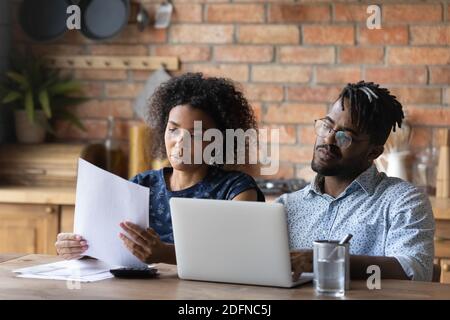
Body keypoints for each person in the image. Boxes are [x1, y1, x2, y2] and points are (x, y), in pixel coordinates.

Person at [55, 73, 265, 264]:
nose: (180, 142)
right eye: (173, 130)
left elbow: (241, 256)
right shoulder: (141, 185)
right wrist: (79, 247)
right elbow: (109, 245)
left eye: (196, 134)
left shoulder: (237, 189)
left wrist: (166, 254)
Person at [280, 81, 435, 281]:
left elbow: (415, 271)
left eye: (345, 137)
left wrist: (325, 261)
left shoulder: (403, 201)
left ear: (373, 152)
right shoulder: (286, 206)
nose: (328, 140)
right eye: (327, 126)